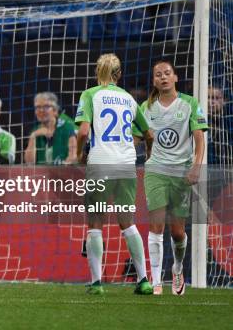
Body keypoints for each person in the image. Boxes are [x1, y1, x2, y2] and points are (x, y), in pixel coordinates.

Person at [75, 53, 154, 295]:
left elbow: (83, 132)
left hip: (100, 163)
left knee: (96, 223)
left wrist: (80, 154)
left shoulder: (91, 95)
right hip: (125, 164)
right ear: (119, 74)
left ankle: (97, 283)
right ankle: (143, 280)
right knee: (127, 222)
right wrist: (148, 155)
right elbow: (149, 134)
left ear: (97, 71)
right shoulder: (129, 99)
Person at [140, 61, 207, 295]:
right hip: (156, 171)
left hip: (182, 173)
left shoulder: (189, 103)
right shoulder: (146, 108)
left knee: (177, 232)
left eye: (167, 73)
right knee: (156, 225)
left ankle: (177, 268)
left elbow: (199, 137)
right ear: (154, 81)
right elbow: (138, 136)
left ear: (175, 77)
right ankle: (156, 281)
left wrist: (196, 167)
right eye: (158, 75)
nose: (163, 77)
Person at [24, 92, 76, 165]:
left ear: (55, 110)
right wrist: (33, 136)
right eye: (38, 107)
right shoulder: (35, 130)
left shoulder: (67, 127)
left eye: (46, 107)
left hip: (63, 174)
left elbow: (73, 156)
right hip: (42, 175)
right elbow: (29, 163)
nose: (41, 110)